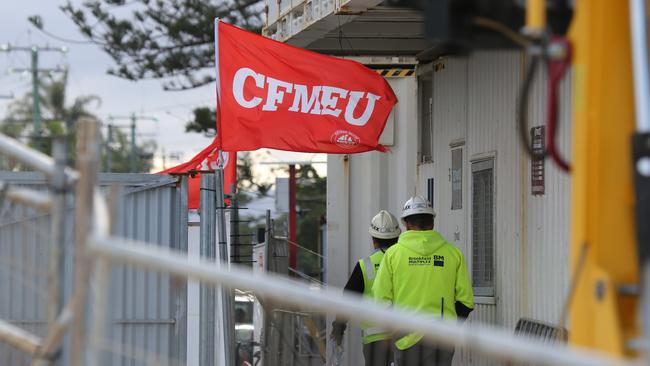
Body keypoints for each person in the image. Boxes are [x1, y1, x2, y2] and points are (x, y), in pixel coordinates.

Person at [373, 196, 474, 366]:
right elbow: (466, 302)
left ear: (406, 224)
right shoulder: (453, 254)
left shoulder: (392, 255)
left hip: (405, 338)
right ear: (432, 222)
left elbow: (380, 299)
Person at [331, 210, 402, 366]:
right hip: (406, 339)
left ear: (373, 240)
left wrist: (339, 328)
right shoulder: (406, 263)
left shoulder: (365, 266)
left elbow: (347, 300)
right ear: (398, 237)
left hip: (375, 343)